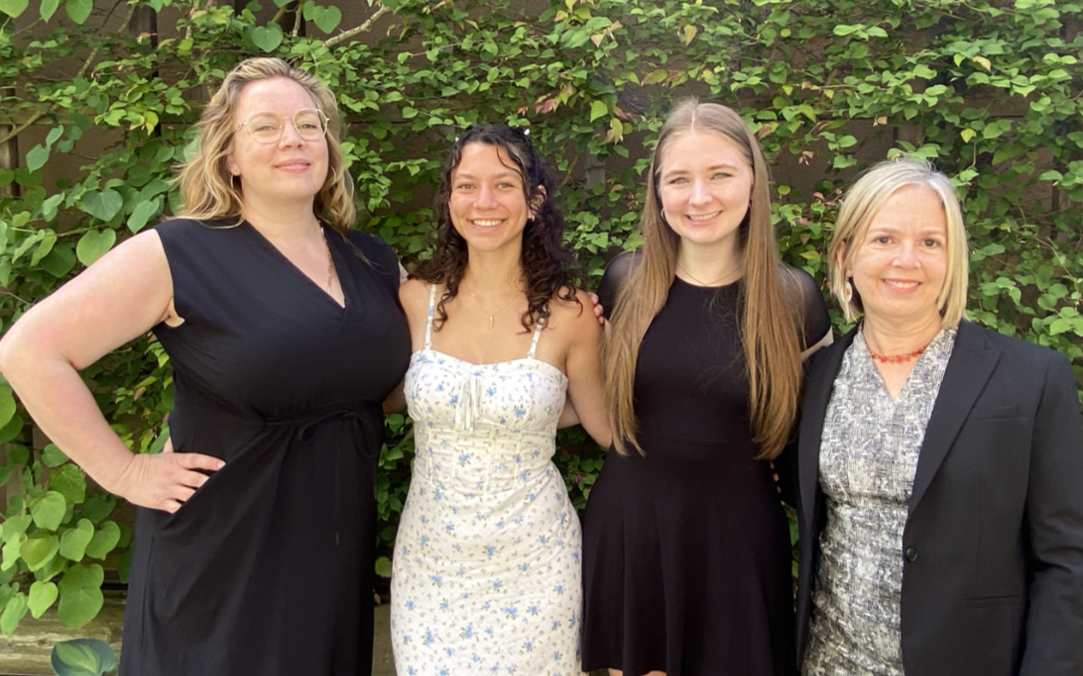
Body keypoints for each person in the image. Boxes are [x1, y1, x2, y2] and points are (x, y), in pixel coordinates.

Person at [0, 57, 410, 675]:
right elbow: (28, 350)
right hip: (221, 555)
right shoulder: (179, 253)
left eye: (308, 123)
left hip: (330, 550)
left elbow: (411, 380)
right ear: (230, 156)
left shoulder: (372, 261)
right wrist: (124, 470)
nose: (293, 139)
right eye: (265, 127)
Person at [795, 158, 1083, 676]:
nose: (906, 260)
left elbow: (1067, 560)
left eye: (930, 242)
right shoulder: (817, 377)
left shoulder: (1031, 379)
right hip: (830, 663)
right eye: (883, 239)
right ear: (846, 256)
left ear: (953, 260)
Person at [581, 99, 832, 676]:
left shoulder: (794, 299)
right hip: (634, 534)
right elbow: (584, 393)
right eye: (679, 179)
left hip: (739, 542)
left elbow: (812, 438)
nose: (700, 197)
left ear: (753, 180)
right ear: (657, 191)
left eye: (720, 174)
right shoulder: (624, 281)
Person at [389, 124, 610, 675]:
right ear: (449, 199)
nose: (484, 202)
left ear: (534, 200)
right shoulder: (414, 300)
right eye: (467, 185)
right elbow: (368, 397)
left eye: (504, 184)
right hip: (430, 567)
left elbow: (606, 425)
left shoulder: (572, 315)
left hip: (537, 564)